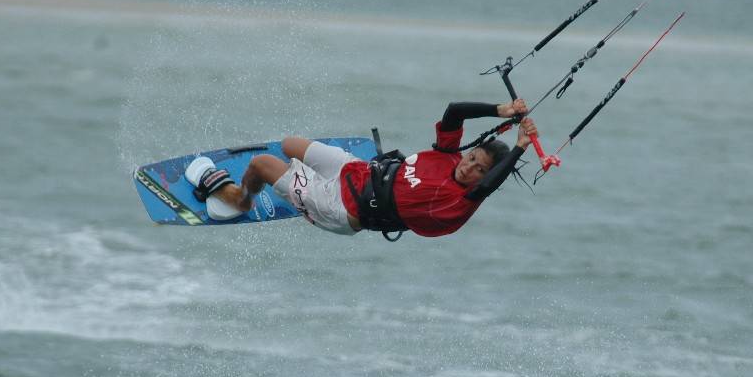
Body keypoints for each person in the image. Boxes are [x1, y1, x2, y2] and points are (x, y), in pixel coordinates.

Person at [184, 98, 539, 238]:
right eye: (472, 157)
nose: (469, 167)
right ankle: (292, 183)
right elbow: (453, 111)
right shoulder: (448, 156)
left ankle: (240, 199)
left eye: (479, 169)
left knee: (261, 164)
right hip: (357, 171)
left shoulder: (458, 202)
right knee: (291, 143)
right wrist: (501, 111)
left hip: (343, 209)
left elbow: (487, 186)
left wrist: (521, 146)